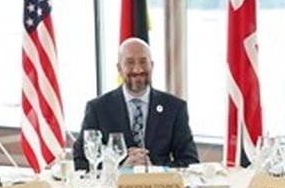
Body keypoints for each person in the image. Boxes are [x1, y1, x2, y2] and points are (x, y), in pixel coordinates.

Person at [78, 37, 197, 169]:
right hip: (114, 182)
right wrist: (119, 168)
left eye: (143, 62)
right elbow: (81, 160)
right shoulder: (97, 109)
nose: (137, 69)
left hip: (158, 182)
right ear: (119, 68)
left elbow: (190, 162)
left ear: (152, 65)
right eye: (130, 63)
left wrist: (154, 170)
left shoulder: (174, 108)